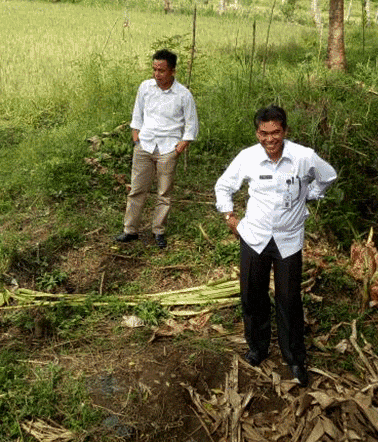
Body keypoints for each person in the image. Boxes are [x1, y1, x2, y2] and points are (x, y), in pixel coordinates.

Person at [214, 105, 337, 387]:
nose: (270, 139)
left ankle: (294, 357)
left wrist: (310, 195)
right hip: (254, 237)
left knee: (289, 299)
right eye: (263, 133)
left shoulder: (304, 157)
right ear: (257, 132)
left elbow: (328, 176)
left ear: (285, 131)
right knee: (252, 295)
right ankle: (257, 348)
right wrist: (229, 216)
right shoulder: (248, 157)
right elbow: (224, 186)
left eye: (276, 133)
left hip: (289, 239)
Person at [114, 49, 199, 249]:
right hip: (145, 144)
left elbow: (191, 124)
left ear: (172, 71)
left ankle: (158, 231)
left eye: (161, 70)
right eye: (154, 69)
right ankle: (130, 230)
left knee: (164, 192)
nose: (157, 74)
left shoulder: (183, 95)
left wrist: (180, 146)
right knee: (136, 189)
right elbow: (137, 114)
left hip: (168, 148)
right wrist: (136, 137)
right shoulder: (145, 87)